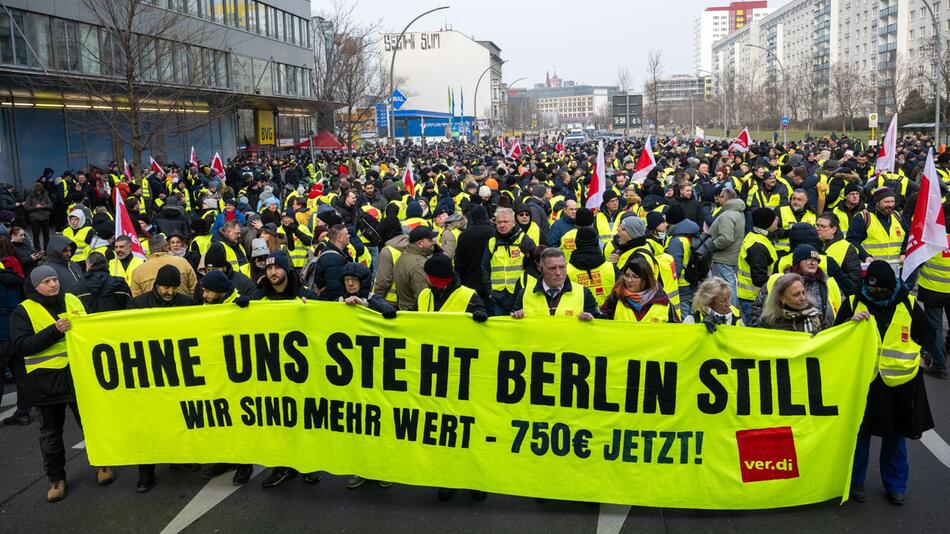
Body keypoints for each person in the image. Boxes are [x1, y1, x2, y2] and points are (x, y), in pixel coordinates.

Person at [10, 266, 112, 501]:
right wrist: (54, 331)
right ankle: (56, 479)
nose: (53, 284)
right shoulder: (23, 311)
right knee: (51, 433)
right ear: (35, 286)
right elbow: (23, 346)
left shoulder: (71, 299)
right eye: (46, 281)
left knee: (91, 425)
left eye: (54, 279)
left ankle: (102, 464)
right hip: (45, 383)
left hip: (78, 376)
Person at [840, 261, 934, 505]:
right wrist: (850, 323)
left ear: (892, 287)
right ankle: (854, 483)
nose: (876, 295)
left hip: (900, 385)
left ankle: (895, 486)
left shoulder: (908, 304)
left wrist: (924, 357)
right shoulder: (852, 303)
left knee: (896, 438)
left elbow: (927, 333)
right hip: (864, 382)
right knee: (859, 436)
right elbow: (834, 335)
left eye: (881, 291)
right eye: (872, 290)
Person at [235, 253, 318, 489]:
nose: (272, 272)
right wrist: (240, 308)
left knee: (304, 421)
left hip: (301, 372)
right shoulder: (259, 298)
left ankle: (308, 465)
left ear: (286, 270)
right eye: (268, 268)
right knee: (280, 422)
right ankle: (283, 465)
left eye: (277, 268)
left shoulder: (305, 296)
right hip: (271, 371)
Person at [130, 265, 194, 491]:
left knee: (178, 418)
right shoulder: (139, 304)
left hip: (177, 372)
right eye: (166, 287)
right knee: (148, 424)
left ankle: (179, 459)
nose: (170, 292)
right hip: (149, 374)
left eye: (174, 288)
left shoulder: (186, 302)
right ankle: (146, 472)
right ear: (157, 285)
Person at [198, 271, 252, 485]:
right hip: (215, 371)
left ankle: (244, 464)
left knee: (239, 421)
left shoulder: (240, 306)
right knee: (219, 420)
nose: (204, 294)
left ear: (220, 292)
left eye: (208, 291)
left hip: (237, 374)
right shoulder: (207, 307)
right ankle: (225, 458)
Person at [751, 244, 841, 329]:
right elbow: (757, 307)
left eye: (816, 260)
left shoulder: (825, 282)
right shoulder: (780, 281)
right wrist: (760, 331)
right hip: (782, 334)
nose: (813, 263)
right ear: (798, 262)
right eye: (808, 259)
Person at [512, 248, 599, 320]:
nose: (558, 273)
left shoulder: (583, 293)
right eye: (552, 268)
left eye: (562, 267)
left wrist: (592, 318)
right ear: (541, 269)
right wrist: (517, 317)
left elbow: (600, 324)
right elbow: (513, 326)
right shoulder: (524, 294)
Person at [483, 207, 536, 316]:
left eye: (506, 221)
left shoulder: (524, 240)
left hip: (519, 295)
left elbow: (535, 267)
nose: (502, 225)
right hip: (497, 296)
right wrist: (489, 291)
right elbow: (484, 267)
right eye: (499, 222)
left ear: (513, 222)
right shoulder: (492, 242)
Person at [600, 255, 678, 323]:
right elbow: (601, 322)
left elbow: (676, 330)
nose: (629, 280)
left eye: (635, 277)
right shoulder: (615, 299)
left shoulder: (663, 301)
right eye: (627, 275)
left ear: (646, 279)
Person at [0, 249, 29, 426]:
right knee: (21, 375)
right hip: (17, 331)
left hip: (1, 335)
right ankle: (23, 412)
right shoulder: (16, 281)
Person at [737, 208, 778, 324]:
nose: (777, 220)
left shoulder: (754, 236)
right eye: (774, 219)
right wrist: (779, 281)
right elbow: (759, 278)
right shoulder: (758, 246)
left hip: (751, 297)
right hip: (753, 298)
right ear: (767, 223)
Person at [847, 186, 906, 267]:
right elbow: (852, 240)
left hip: (896, 268)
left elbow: (908, 236)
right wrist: (865, 256)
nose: (891, 205)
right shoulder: (862, 217)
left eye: (893, 201)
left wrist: (903, 252)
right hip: (871, 269)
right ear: (877, 202)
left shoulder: (898, 216)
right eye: (887, 202)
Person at [417, 253, 488, 318]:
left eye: (428, 275)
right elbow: (412, 315)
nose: (425, 277)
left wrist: (480, 314)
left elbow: (482, 315)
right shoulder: (424, 294)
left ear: (435, 279)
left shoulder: (468, 295)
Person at [756, 272, 829, 333]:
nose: (803, 298)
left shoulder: (817, 315)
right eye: (796, 295)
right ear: (782, 298)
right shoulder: (768, 322)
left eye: (803, 292)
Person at [708, 188, 746, 306]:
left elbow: (726, 238)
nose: (718, 198)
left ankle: (731, 313)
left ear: (725, 199)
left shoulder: (727, 215)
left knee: (726, 289)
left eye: (720, 196)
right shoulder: (738, 212)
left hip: (723, 258)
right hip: (731, 256)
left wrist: (710, 246)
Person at [130, 234, 198, 298]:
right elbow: (194, 290)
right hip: (183, 308)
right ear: (165, 247)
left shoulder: (138, 271)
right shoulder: (183, 262)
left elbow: (137, 299)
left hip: (153, 309)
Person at [566, 227, 614, 306]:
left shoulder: (567, 271)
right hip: (606, 315)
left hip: (578, 315)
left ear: (576, 243)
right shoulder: (611, 268)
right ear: (596, 242)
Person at [394, 226, 438, 310]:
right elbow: (423, 296)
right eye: (430, 240)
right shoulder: (419, 265)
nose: (433, 243)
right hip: (415, 314)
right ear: (420, 243)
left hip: (404, 309)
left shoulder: (404, 256)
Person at [310, 224, 353, 301]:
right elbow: (334, 290)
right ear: (339, 238)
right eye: (346, 234)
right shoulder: (333, 259)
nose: (349, 236)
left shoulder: (333, 254)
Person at [24, 182, 52, 251]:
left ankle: (47, 251)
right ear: (35, 190)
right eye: (37, 191)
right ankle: (37, 250)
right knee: (36, 236)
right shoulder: (30, 196)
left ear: (42, 189)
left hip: (45, 218)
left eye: (39, 190)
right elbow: (26, 208)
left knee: (46, 236)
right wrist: (35, 207)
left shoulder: (45, 195)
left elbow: (51, 205)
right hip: (35, 218)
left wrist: (45, 206)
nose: (38, 192)